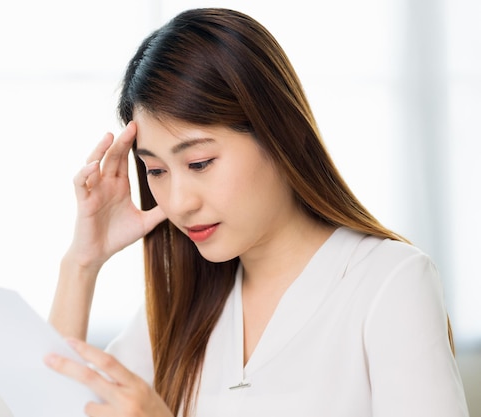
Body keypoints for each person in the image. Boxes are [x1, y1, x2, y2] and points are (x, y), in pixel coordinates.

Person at [44, 7, 469, 417]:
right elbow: (53, 405)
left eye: (199, 163)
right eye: (155, 170)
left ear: (279, 132)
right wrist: (82, 262)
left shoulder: (388, 283)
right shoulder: (186, 300)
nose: (177, 202)